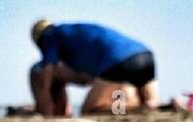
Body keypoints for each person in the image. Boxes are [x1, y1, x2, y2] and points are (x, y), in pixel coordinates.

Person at [30, 19, 158, 116]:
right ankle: (173, 104)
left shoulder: (49, 36)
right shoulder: (71, 32)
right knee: (152, 103)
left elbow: (47, 73)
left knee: (88, 111)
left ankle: (135, 109)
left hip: (118, 62)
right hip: (146, 56)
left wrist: (45, 105)